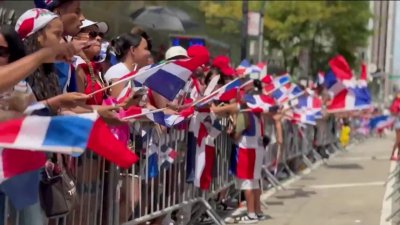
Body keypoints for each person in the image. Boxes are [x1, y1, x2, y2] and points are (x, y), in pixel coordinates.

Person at [35, 0, 85, 93]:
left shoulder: (68, 60)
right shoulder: (22, 57)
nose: (82, 18)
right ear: (57, 13)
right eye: (77, 11)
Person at [73, 19, 109, 105]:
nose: (99, 38)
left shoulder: (98, 68)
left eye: (100, 34)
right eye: (92, 34)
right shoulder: (75, 65)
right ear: (75, 37)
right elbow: (77, 107)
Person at [389, 93, 400, 160]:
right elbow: (393, 113)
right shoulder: (395, 103)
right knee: (398, 140)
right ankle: (392, 155)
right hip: (398, 123)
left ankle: (398, 155)